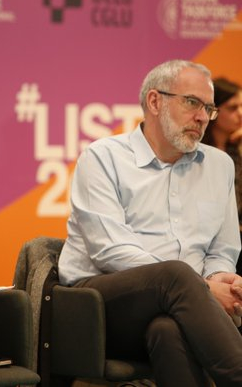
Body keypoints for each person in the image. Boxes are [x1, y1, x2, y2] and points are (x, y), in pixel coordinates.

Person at [58, 59, 242, 387]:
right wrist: (201, 288)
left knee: (167, 330)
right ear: (155, 101)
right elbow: (110, 250)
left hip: (183, 307)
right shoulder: (102, 157)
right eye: (192, 103)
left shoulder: (219, 165)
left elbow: (222, 248)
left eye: (209, 108)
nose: (202, 117)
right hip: (100, 303)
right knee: (175, 275)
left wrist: (217, 278)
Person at [201, 77, 242, 275]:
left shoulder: (237, 149)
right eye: (233, 108)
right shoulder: (196, 152)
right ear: (213, 111)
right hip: (209, 239)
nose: (240, 113)